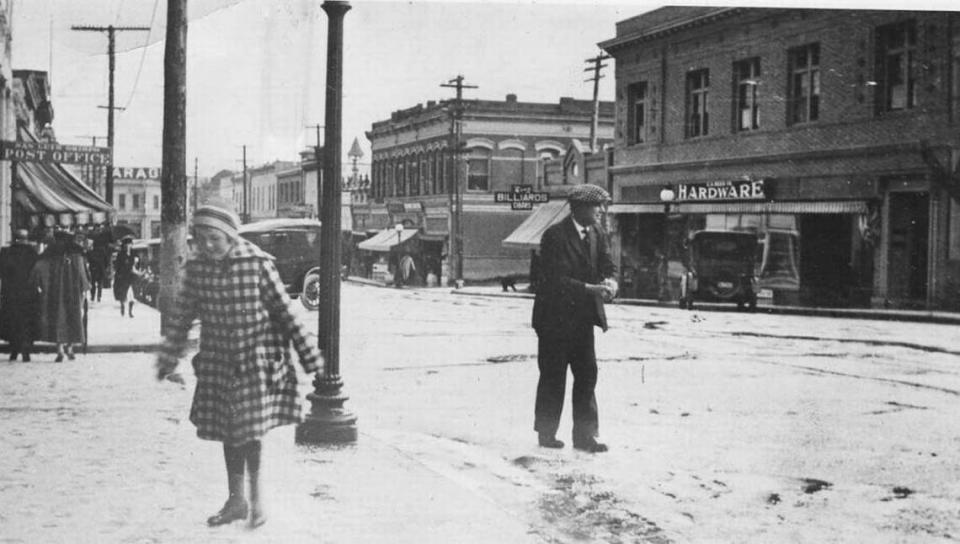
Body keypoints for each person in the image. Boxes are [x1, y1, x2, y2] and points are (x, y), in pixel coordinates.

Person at [155, 203, 322, 529]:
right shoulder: (198, 268)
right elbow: (182, 317)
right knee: (230, 431)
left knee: (248, 429)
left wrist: (309, 355)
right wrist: (169, 356)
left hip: (253, 361)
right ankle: (237, 499)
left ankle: (255, 498)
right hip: (217, 362)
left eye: (213, 238)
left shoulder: (257, 264)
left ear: (230, 234)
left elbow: (286, 313)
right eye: (200, 238)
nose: (206, 245)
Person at [531, 184, 617, 453]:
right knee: (553, 376)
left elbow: (608, 265)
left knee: (587, 375)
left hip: (581, 319)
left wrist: (611, 282)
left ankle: (585, 436)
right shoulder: (555, 235)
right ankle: (546, 434)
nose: (601, 211)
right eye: (596, 206)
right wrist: (589, 289)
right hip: (554, 319)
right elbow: (553, 280)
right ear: (579, 208)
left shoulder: (597, 234)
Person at [29, 230, 91, 362]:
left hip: (55, 292)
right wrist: (86, 289)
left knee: (58, 318)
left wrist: (38, 285)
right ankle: (70, 348)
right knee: (74, 318)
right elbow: (82, 274)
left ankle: (60, 350)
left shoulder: (49, 254)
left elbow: (37, 270)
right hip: (74, 293)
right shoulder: (77, 254)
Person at [0, 229, 39, 361]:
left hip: (10, 294)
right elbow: (37, 272)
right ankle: (26, 350)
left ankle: (14, 350)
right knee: (27, 322)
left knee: (12, 322)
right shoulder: (32, 253)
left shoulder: (5, 253)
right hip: (29, 293)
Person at [113, 236, 140, 317]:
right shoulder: (121, 254)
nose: (128, 246)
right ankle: (122, 306)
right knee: (123, 294)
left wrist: (136, 263)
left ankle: (130, 312)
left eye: (130, 244)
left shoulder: (134, 253)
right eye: (127, 244)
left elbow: (137, 264)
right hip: (123, 277)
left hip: (131, 277)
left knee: (131, 295)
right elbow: (117, 265)